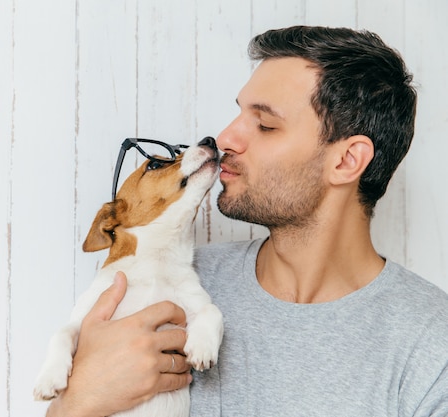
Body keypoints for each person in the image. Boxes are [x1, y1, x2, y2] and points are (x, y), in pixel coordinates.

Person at [46, 26, 448, 416]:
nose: (225, 139)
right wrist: (78, 403)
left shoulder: (430, 341)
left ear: (346, 161)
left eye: (266, 125)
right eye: (239, 114)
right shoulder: (169, 285)